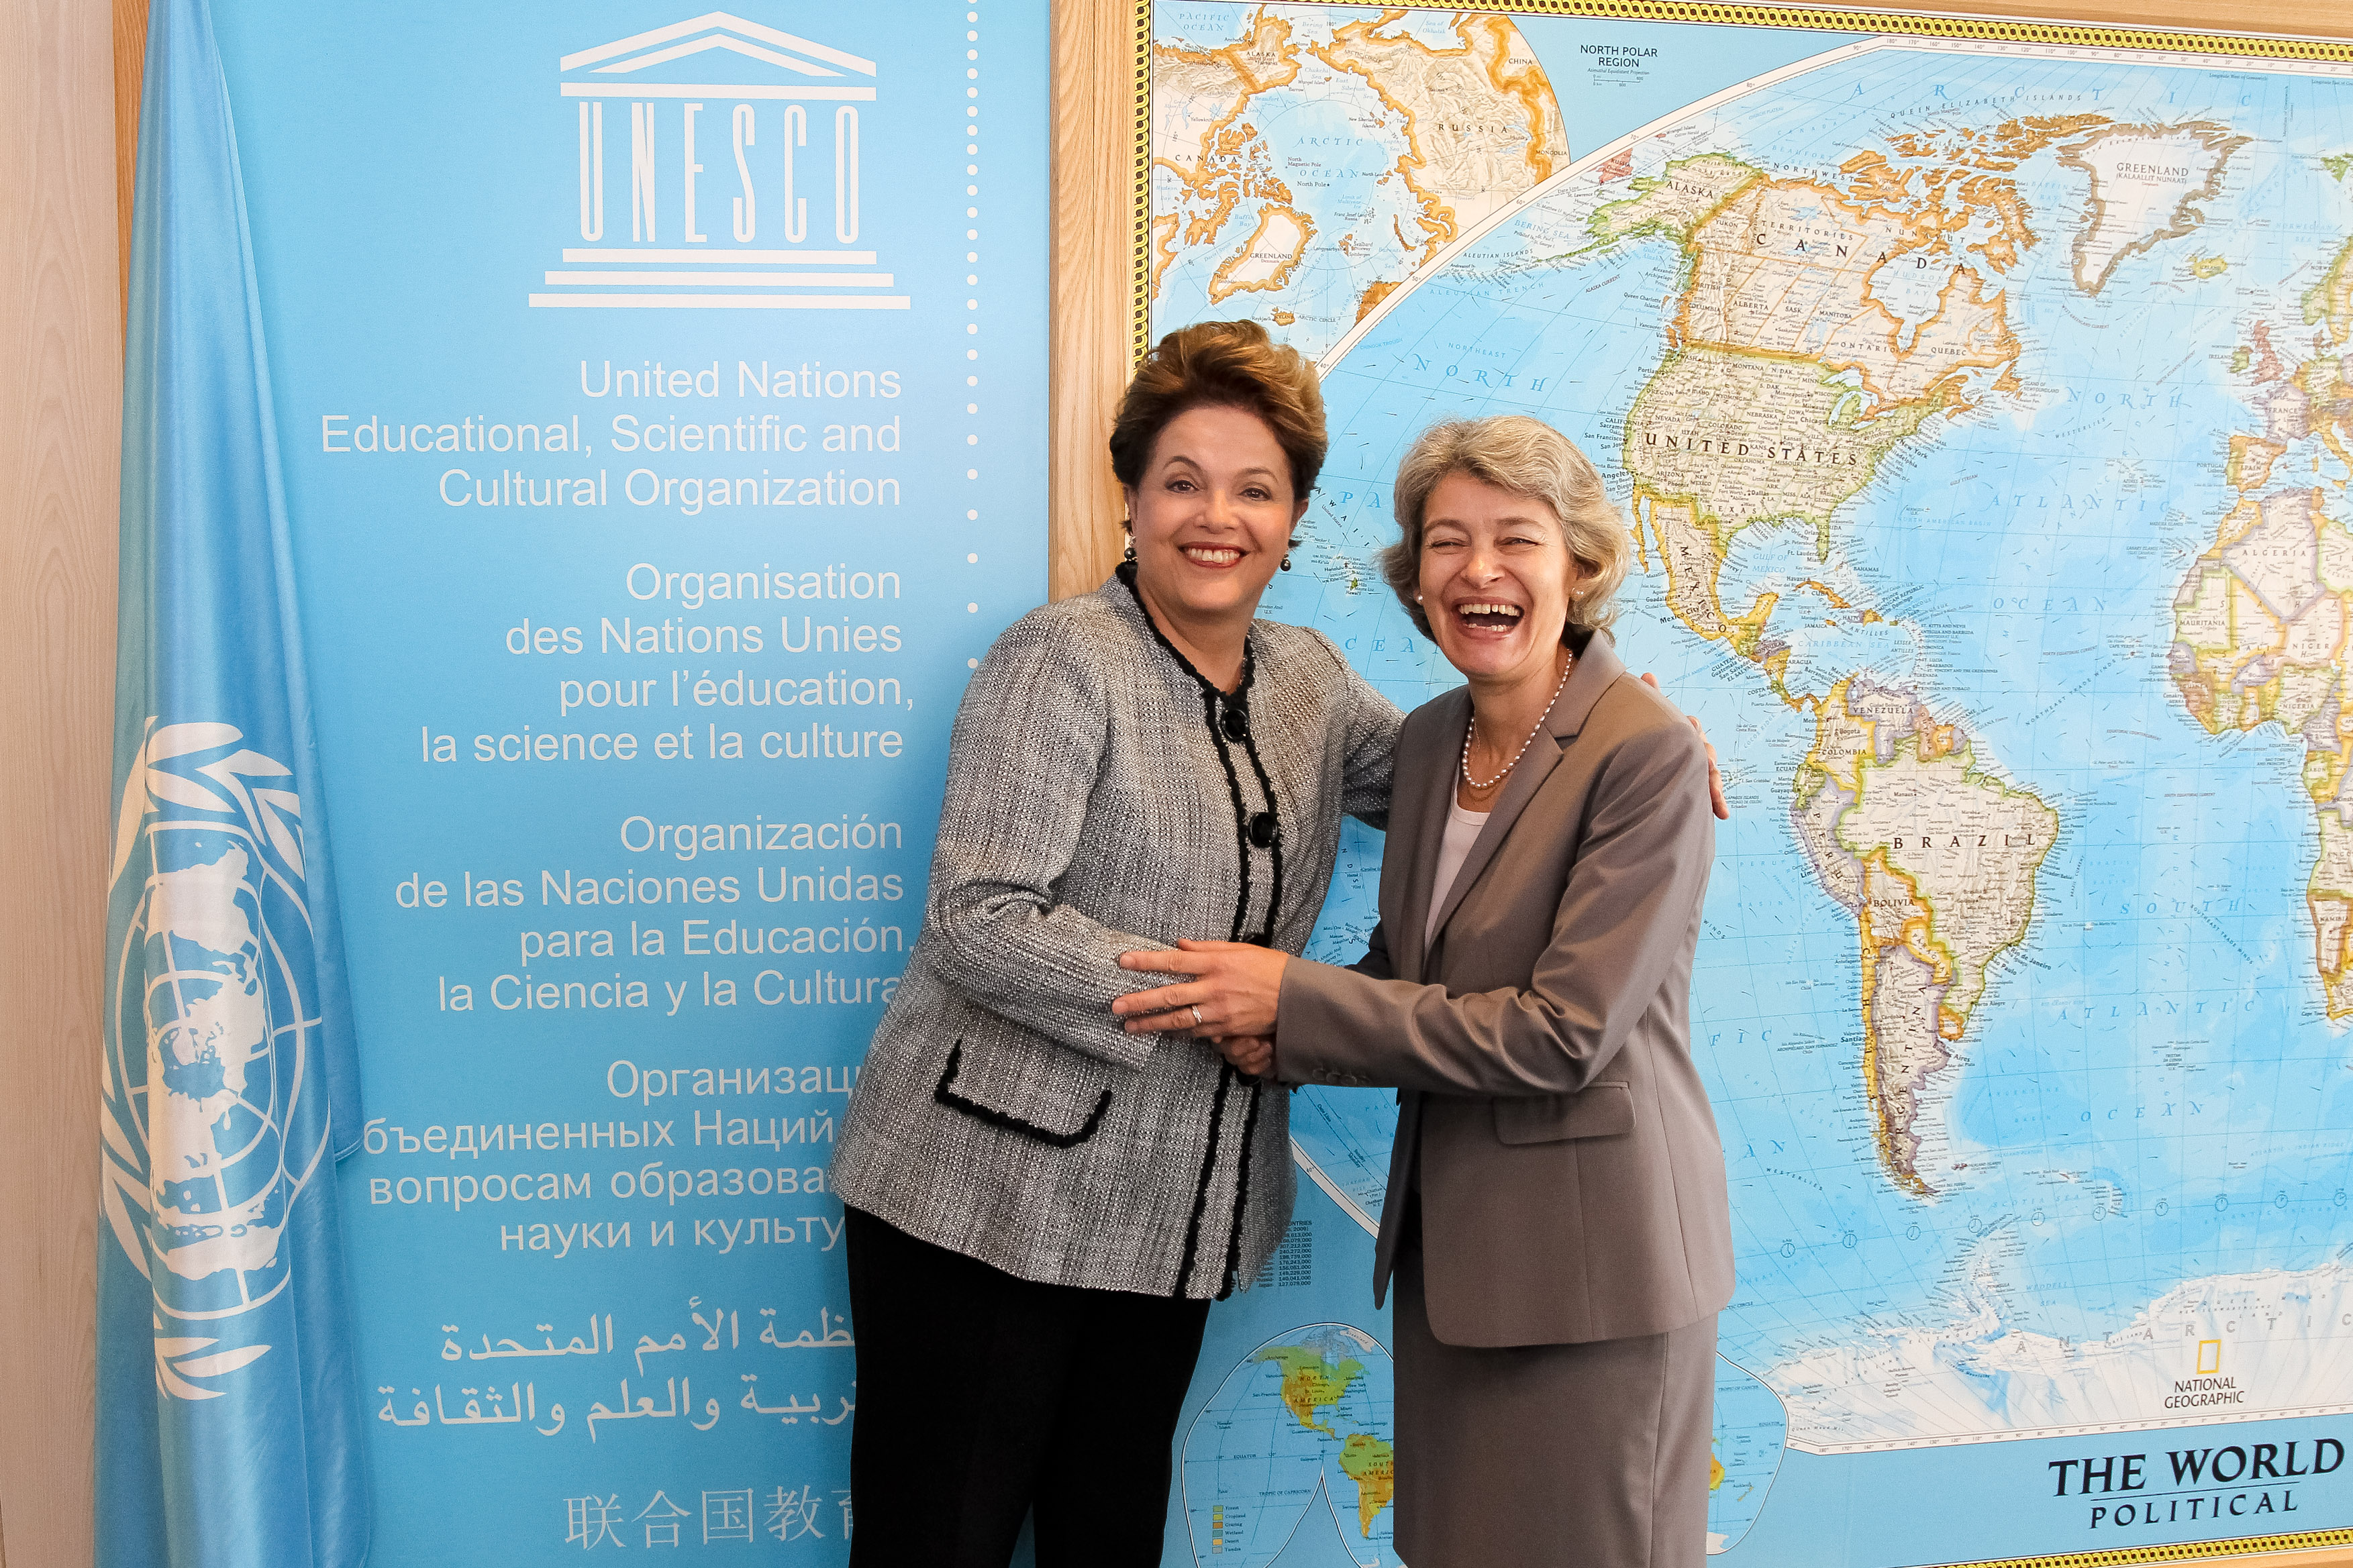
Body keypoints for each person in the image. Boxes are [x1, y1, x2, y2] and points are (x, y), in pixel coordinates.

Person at [828, 319, 1401, 1567]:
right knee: (940, 1544)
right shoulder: (1062, 658)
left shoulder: (1308, 679)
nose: (1216, 516)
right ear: (1130, 498)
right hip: (983, 1202)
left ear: (1293, 518)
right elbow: (980, 917)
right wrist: (1229, 999)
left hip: (1171, 1222)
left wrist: (1613, 733)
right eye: (1182, 481)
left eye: (1255, 489)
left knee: (1107, 1542)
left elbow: (1470, 795)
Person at [1115, 415, 1734, 1568]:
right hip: (1457, 1258)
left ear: (1580, 567)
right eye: (1446, 542)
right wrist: (1273, 1035)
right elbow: (1408, 978)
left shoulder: (1644, 755)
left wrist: (1291, 1001)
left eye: (1516, 540)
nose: (1477, 570)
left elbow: (1564, 1035)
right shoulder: (1428, 743)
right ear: (1414, 578)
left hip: (1596, 1270)